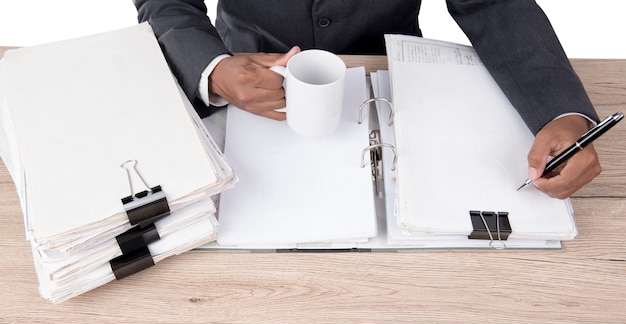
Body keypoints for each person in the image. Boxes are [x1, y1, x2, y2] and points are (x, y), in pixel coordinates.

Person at [133, 0, 601, 199]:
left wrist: (560, 112)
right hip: (248, 78)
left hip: (395, 77)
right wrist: (212, 69)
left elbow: (494, 5)